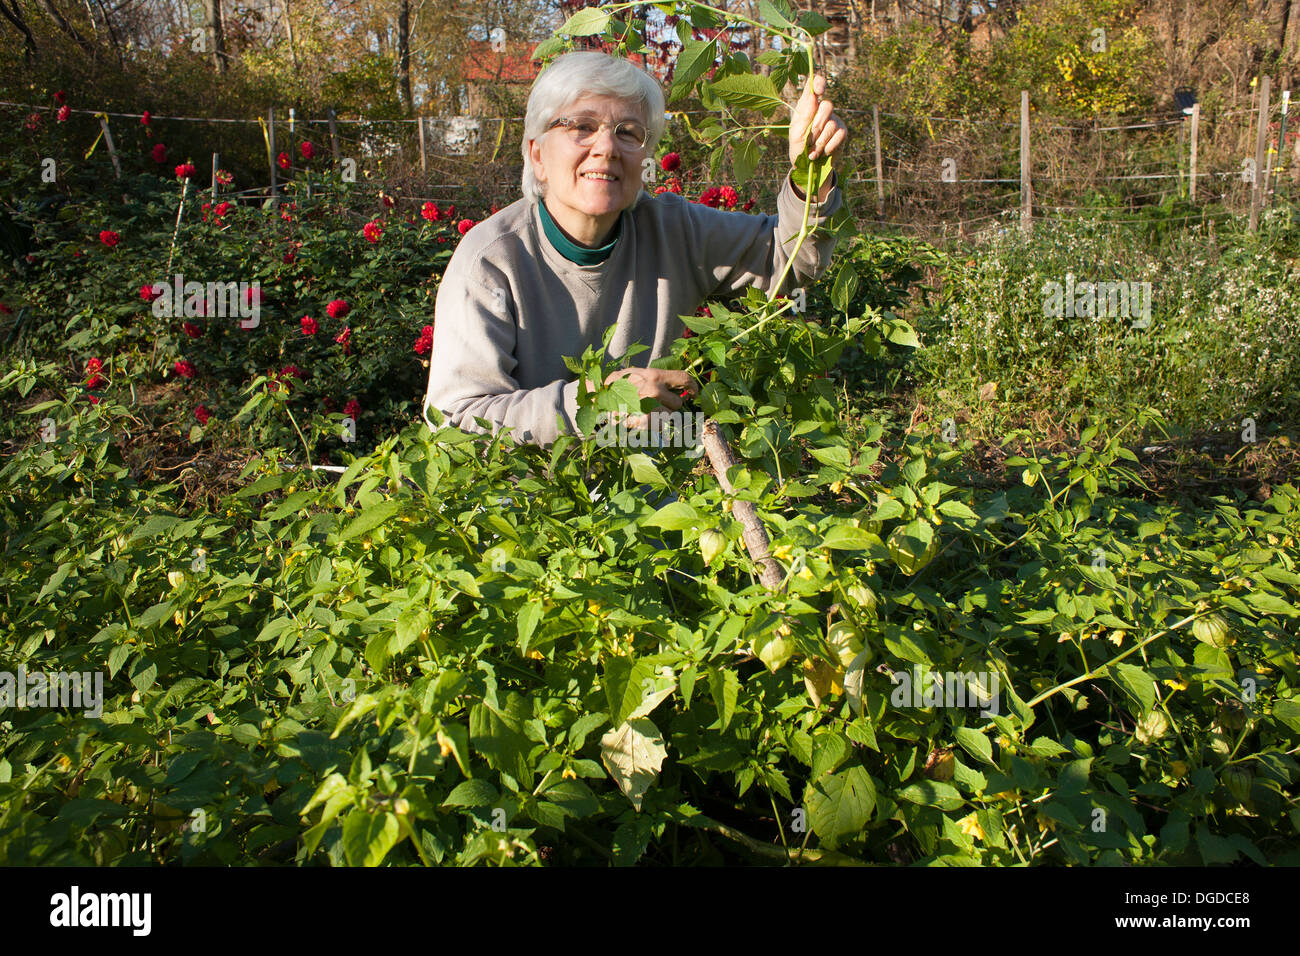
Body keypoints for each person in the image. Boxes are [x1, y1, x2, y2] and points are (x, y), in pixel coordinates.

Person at [422, 50, 850, 448]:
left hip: (654, 500)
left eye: (627, 132)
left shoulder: (673, 228)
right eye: (582, 127)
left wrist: (809, 170)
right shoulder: (491, 260)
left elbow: (787, 259)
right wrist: (599, 402)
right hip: (530, 511)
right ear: (537, 155)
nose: (606, 148)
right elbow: (457, 422)